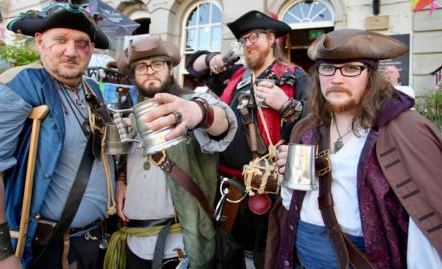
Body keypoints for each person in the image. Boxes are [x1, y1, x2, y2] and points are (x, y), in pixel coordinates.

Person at [0, 3, 121, 269]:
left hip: (92, 242)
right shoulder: (14, 87)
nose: (71, 51)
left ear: (91, 49)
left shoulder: (92, 90)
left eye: (82, 43)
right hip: (40, 250)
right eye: (60, 40)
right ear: (39, 42)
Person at [270, 29, 442, 269]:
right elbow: (292, 203)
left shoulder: (406, 129)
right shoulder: (305, 128)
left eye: (351, 68)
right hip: (300, 256)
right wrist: (289, 175)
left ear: (370, 75)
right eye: (327, 69)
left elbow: (426, 224)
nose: (336, 79)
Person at [186, 10, 308, 268]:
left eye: (254, 36)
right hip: (230, 188)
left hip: (275, 190)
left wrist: (286, 105)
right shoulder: (235, 76)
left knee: (270, 255)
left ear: (272, 38)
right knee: (229, 254)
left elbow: (316, 121)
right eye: (243, 39)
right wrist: (211, 59)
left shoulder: (295, 76)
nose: (248, 43)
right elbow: (193, 65)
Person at [102, 35, 236, 269]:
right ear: (133, 74)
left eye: (157, 64)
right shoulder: (133, 113)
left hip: (180, 244)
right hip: (134, 241)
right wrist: (122, 180)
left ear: (170, 68)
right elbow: (131, 160)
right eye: (141, 66)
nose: (150, 71)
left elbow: (224, 123)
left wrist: (202, 113)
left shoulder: (191, 101)